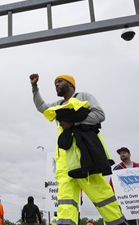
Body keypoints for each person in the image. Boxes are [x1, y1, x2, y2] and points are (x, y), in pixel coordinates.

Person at [29, 74, 126, 225]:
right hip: (63, 159)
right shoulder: (59, 104)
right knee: (65, 199)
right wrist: (34, 88)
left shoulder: (84, 96)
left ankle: (117, 222)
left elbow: (100, 115)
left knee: (100, 192)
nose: (56, 85)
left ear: (71, 84)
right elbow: (41, 107)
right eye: (55, 83)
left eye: (60, 81)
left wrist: (72, 122)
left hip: (84, 154)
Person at [110, 147, 139, 225]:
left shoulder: (137, 166)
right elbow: (112, 184)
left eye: (124, 152)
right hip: (126, 201)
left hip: (137, 198)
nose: (122, 154)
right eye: (120, 153)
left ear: (129, 154)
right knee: (129, 220)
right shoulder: (117, 169)